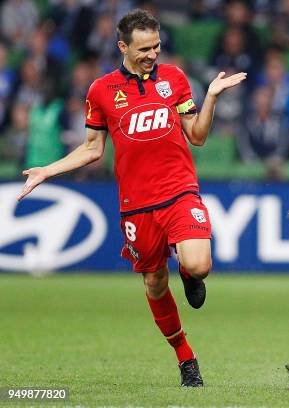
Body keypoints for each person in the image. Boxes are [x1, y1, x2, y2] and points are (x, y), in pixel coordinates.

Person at [16, 9, 247, 387]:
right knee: (155, 284)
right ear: (122, 46)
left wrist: (211, 98)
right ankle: (186, 358)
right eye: (144, 48)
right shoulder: (101, 91)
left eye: (156, 46)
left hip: (179, 191)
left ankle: (188, 274)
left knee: (200, 264)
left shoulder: (174, 79)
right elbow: (92, 149)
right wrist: (47, 170)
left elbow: (198, 136)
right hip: (137, 207)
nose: (152, 54)